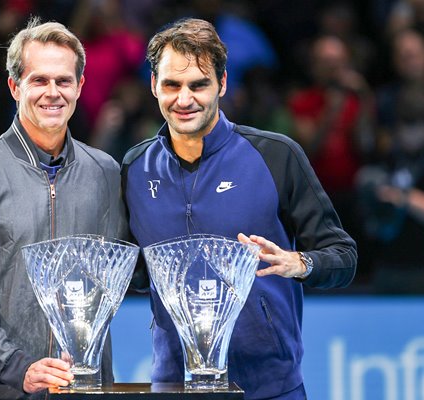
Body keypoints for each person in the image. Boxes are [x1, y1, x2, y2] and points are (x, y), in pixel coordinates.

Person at [121, 18, 357, 400]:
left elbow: (344, 257)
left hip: (268, 387)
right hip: (173, 385)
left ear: (223, 84)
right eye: (172, 85)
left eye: (199, 85)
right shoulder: (134, 167)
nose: (184, 99)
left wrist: (300, 263)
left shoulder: (275, 155)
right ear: (153, 85)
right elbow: (133, 271)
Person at [0, 18, 126, 399]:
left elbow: (126, 272)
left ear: (80, 87)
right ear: (14, 86)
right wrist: (14, 367)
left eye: (63, 80)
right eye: (39, 80)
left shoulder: (106, 172)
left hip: (82, 389)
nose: (52, 92)